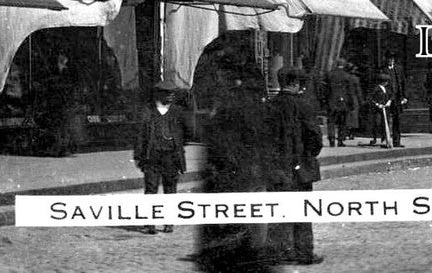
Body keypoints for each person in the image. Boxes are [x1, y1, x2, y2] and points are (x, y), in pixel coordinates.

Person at [196, 61, 272, 273]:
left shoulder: (230, 104)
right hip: (253, 170)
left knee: (238, 222)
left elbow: (222, 142)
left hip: (237, 172)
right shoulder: (256, 103)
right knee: (256, 217)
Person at [267, 68, 324, 266]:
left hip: (276, 167)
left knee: (278, 210)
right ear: (295, 83)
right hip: (300, 167)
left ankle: (281, 251)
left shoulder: (270, 106)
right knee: (302, 210)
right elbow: (315, 137)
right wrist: (308, 156)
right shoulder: (304, 106)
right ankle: (304, 252)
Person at [132, 81, 189, 234]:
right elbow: (139, 135)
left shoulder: (177, 112)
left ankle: (169, 222)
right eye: (166, 93)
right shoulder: (147, 111)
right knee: (151, 189)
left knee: (170, 189)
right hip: (152, 157)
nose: (170, 96)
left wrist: (177, 146)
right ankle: (150, 223)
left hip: (171, 157)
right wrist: (138, 156)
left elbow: (186, 132)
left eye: (172, 93)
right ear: (158, 94)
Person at [324, 59, 360, 147]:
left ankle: (332, 138)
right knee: (342, 121)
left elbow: (325, 89)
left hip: (332, 101)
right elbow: (350, 91)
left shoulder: (330, 74)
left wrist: (325, 100)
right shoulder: (347, 76)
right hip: (343, 101)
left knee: (331, 121)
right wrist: (351, 103)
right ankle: (340, 139)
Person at [382, 54, 407, 148]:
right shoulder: (383, 70)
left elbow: (403, 82)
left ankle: (397, 141)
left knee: (397, 120)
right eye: (389, 59)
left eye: (392, 59)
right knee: (386, 119)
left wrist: (404, 96)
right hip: (387, 98)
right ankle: (387, 141)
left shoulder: (398, 69)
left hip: (396, 98)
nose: (391, 61)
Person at [368, 72, 393, 147]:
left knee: (385, 124)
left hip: (386, 108)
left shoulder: (387, 89)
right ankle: (375, 138)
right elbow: (370, 98)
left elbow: (391, 96)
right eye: (386, 81)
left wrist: (389, 101)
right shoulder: (376, 89)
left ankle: (384, 138)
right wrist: (377, 104)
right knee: (377, 123)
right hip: (378, 110)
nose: (387, 83)